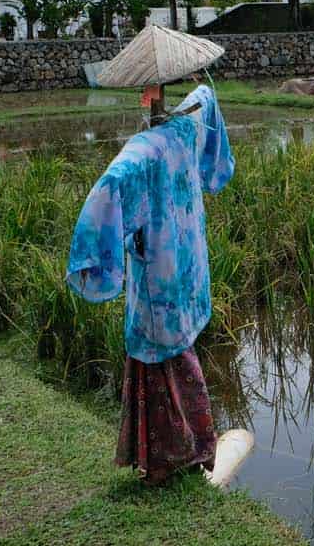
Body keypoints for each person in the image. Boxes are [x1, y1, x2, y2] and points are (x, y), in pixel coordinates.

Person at [66, 82, 234, 483]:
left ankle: (165, 462)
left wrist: (92, 261)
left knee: (158, 364)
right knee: (180, 357)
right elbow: (204, 99)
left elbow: (108, 187)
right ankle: (194, 448)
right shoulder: (186, 129)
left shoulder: (144, 151)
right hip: (187, 267)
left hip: (158, 278)